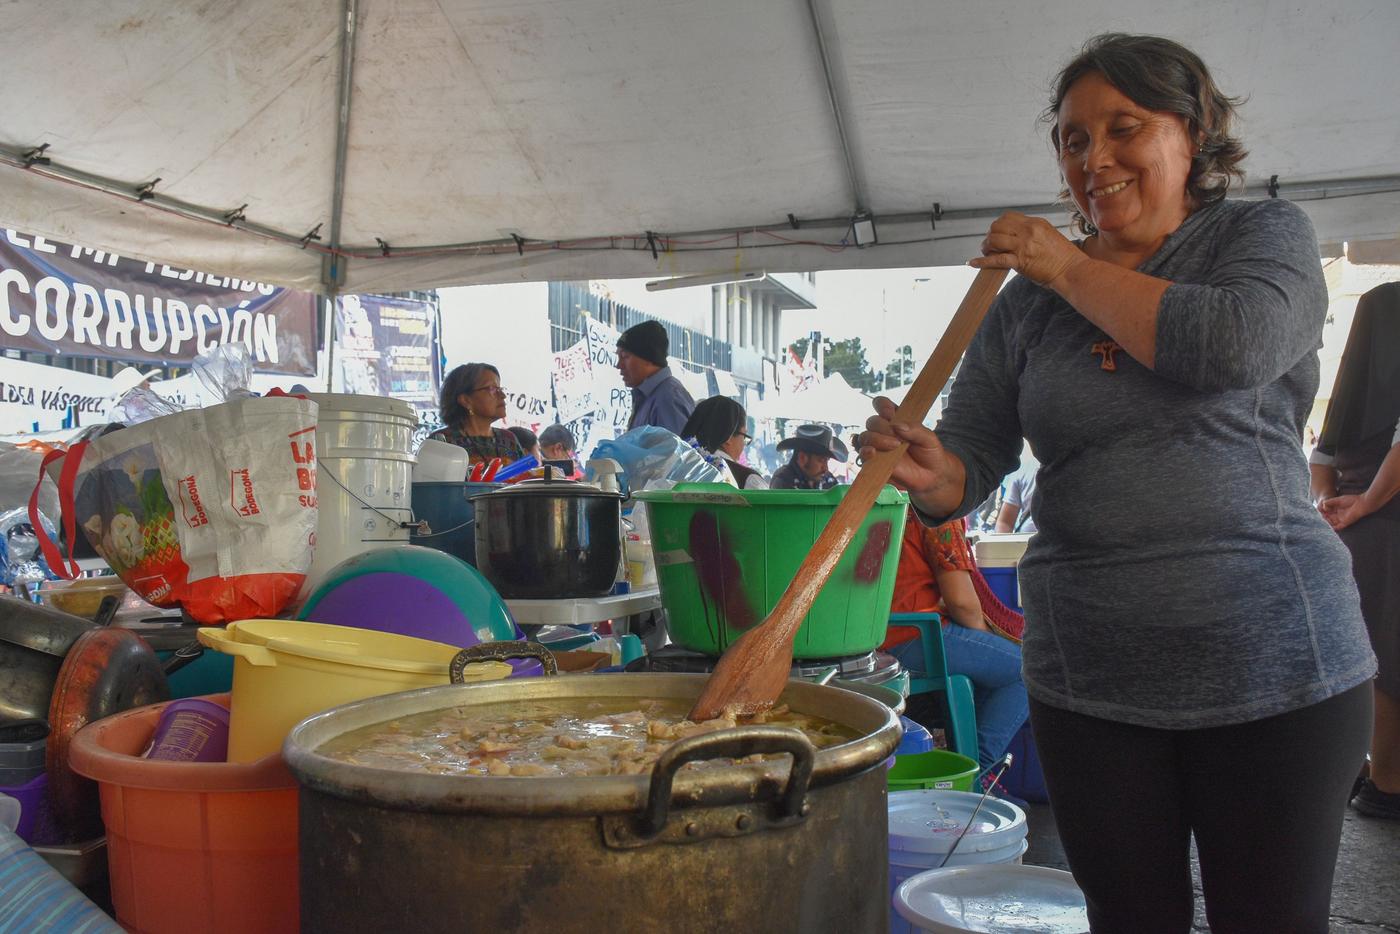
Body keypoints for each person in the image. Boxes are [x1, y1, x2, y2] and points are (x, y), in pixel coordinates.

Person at [861, 33, 1374, 933]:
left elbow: (1229, 346)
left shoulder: (1260, 237)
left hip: (1275, 664)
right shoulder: (1023, 303)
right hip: (1090, 674)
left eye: (1122, 128)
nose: (1092, 159)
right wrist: (933, 472)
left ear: (1194, 132)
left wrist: (1064, 263)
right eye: (1070, 139)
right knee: (1128, 919)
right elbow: (971, 458)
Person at [1311, 281, 1400, 820]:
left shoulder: (1352, 395)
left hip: (1357, 531)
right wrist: (1362, 504)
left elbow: (1321, 457)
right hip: (1382, 528)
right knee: (1384, 659)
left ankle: (1373, 770)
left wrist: (1333, 503)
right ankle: (1387, 782)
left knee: (1366, 657)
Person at [886, 511, 1028, 770]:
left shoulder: (882, 496)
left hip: (875, 635)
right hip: (911, 635)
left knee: (992, 666)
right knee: (1025, 670)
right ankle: (980, 771)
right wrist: (988, 646)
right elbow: (961, 603)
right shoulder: (936, 512)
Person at [429, 363, 525, 467]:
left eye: (500, 389)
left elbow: (524, 479)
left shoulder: (509, 440)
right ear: (466, 400)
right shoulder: (441, 441)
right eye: (492, 389)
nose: (503, 395)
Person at [616, 320, 695, 435]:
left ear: (649, 358)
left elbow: (675, 452)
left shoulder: (668, 400)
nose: (619, 365)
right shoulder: (650, 396)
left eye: (625, 356)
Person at [680, 396, 769, 490]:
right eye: (744, 437)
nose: (744, 444)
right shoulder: (749, 480)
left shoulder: (676, 467)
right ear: (729, 437)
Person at [770, 424, 847, 491]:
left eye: (827, 460)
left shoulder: (828, 480)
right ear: (802, 458)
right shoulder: (783, 480)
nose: (825, 468)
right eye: (821, 460)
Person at [994, 451, 1038, 533]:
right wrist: (1003, 544)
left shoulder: (1068, 468)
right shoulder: (1023, 470)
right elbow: (1005, 522)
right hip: (1025, 542)